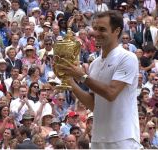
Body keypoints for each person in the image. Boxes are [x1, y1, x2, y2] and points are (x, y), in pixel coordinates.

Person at [57, 10, 141, 148]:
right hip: (98, 139)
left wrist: (81, 76)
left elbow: (111, 93)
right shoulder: (95, 64)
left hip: (123, 138)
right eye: (95, 28)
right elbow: (93, 103)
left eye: (102, 29)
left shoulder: (127, 58)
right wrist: (70, 81)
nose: (96, 33)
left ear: (117, 31)